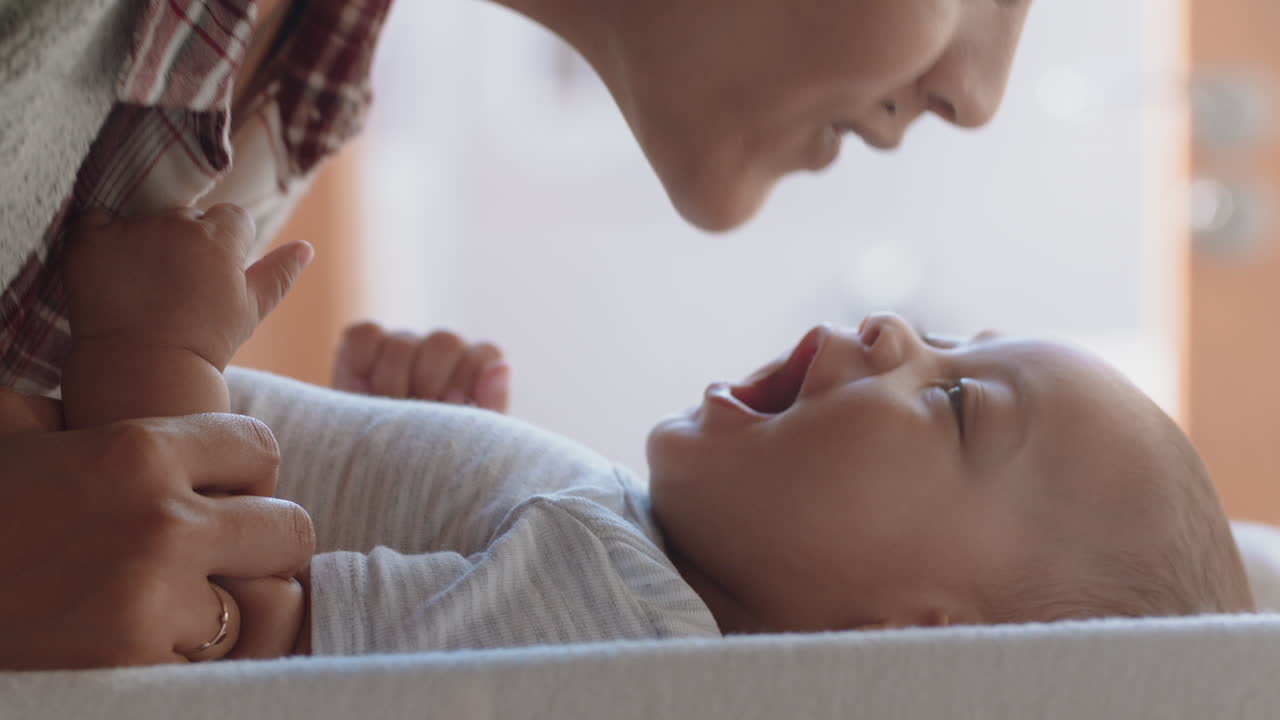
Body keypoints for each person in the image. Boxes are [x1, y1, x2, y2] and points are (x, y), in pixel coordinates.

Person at [0, 0, 1031, 667]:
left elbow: (212, 636)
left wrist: (165, 363)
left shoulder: (284, 96)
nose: (977, 97)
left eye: (956, 403)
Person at [53, 206, 1253, 657]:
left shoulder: (628, 623)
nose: (894, 328)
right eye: (949, 336)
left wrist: (153, 357)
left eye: (953, 402)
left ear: (914, 641)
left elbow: (204, 665)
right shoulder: (629, 576)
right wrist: (398, 445)